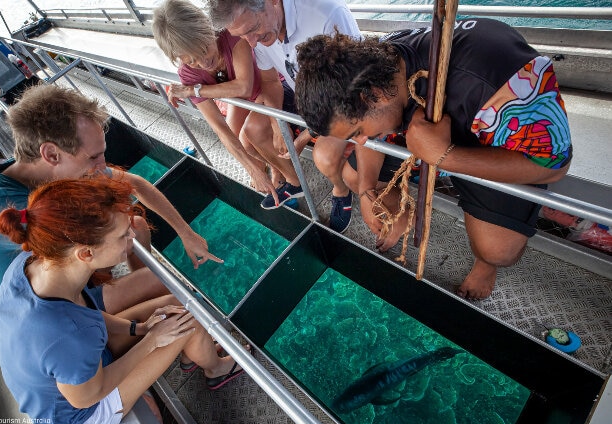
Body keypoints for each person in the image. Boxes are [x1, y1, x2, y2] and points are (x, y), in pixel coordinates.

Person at [293, 19, 572, 299]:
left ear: (373, 96)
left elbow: (555, 165)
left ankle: (486, 265)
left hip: (488, 143)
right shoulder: (376, 65)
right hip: (432, 140)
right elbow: (372, 134)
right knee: (354, 177)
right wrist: (367, 192)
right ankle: (398, 212)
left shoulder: (500, 81)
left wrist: (446, 157)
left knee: (498, 249)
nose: (361, 141)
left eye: (358, 132)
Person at [0, 176, 246, 424]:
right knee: (190, 320)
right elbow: (88, 396)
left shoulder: (35, 264)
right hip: (83, 413)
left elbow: (85, 314)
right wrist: (152, 341)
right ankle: (217, 370)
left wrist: (139, 328)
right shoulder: (66, 333)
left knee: (179, 304)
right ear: (86, 253)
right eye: (124, 234)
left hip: (77, 365)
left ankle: (191, 353)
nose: (133, 235)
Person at [0, 84, 222, 305]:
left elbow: (137, 184)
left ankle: (146, 301)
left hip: (67, 267)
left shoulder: (55, 171)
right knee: (175, 294)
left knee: (137, 226)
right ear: (51, 154)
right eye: (94, 156)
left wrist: (185, 232)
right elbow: (90, 248)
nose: (102, 166)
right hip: (44, 308)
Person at [208, 0, 362, 229]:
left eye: (252, 30)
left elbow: (352, 92)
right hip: (301, 92)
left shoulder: (328, 14)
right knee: (252, 130)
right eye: (242, 36)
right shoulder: (259, 34)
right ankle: (293, 182)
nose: (251, 42)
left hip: (342, 101)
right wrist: (277, 121)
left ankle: (340, 190)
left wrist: (303, 138)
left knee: (325, 156)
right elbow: (271, 81)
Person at [152, 0, 301, 209]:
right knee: (236, 137)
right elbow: (220, 129)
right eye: (192, 60)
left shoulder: (231, 34)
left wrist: (196, 90)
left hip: (269, 88)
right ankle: (273, 166)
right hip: (244, 100)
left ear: (209, 29)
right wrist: (252, 170)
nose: (203, 63)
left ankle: (295, 181)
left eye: (204, 49)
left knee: (248, 137)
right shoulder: (187, 73)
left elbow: (244, 87)